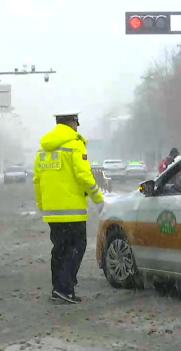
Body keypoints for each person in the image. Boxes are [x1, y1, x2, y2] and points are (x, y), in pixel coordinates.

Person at [33, 111, 105, 304]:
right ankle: (66, 288)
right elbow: (84, 177)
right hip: (72, 210)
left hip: (52, 212)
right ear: (70, 122)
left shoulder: (43, 149)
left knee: (59, 249)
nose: (77, 126)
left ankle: (59, 288)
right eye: (76, 122)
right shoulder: (74, 145)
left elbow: (37, 180)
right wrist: (98, 199)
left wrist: (42, 206)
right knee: (76, 247)